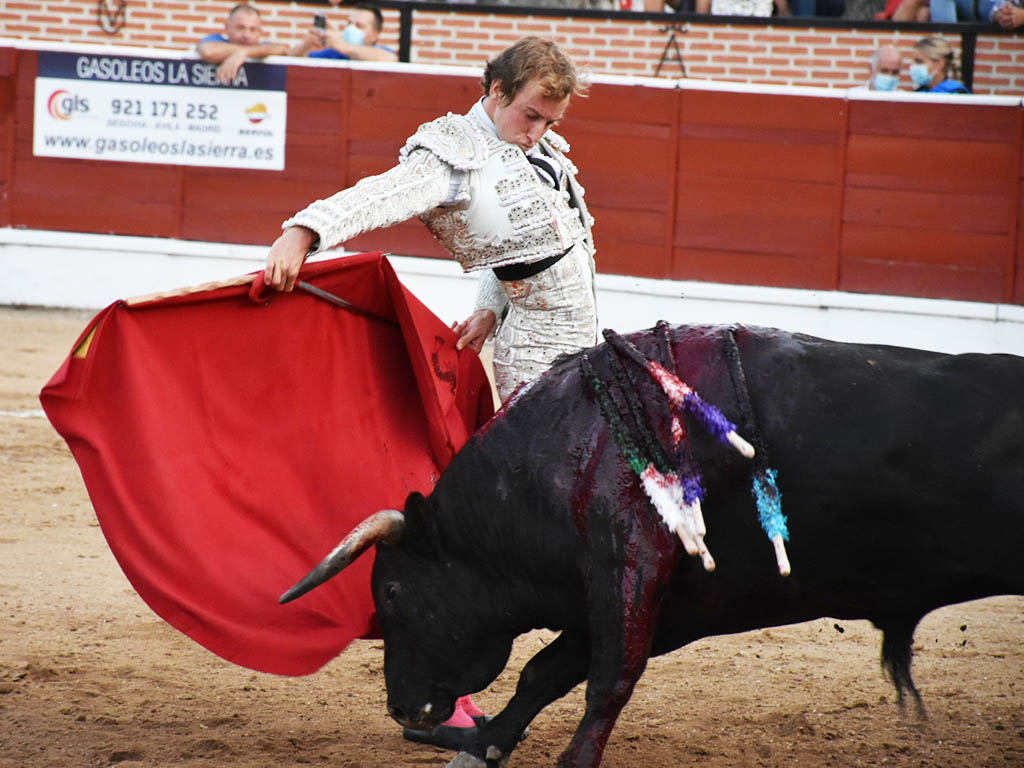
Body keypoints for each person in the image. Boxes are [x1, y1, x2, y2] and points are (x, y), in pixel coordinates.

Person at [265, 36, 597, 407]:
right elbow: (383, 194)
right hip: (535, 354)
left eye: (550, 122)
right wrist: (304, 232)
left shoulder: (529, 145)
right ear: (498, 90)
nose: (537, 133)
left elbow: (518, 244)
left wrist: (488, 308)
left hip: (579, 341)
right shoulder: (454, 152)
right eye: (531, 116)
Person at [197, 4, 289, 85]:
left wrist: (244, 52)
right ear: (227, 28)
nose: (246, 35)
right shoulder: (216, 40)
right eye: (241, 28)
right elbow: (208, 51)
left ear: (260, 32)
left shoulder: (264, 46)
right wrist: (244, 51)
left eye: (252, 29)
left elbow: (284, 49)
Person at [289, 2, 398, 63]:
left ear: (375, 35)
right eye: (349, 23)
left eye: (359, 26)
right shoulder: (336, 52)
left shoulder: (380, 51)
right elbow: (292, 58)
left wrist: (341, 44)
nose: (351, 28)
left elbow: (390, 59)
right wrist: (306, 44)